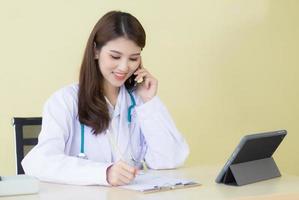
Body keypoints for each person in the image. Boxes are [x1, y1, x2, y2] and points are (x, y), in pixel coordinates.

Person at [22, 10, 189, 186]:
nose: (124, 67)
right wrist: (104, 173)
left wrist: (150, 103)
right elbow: (38, 162)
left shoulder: (139, 101)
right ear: (95, 51)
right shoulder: (64, 101)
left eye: (134, 58)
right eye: (115, 56)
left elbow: (170, 159)